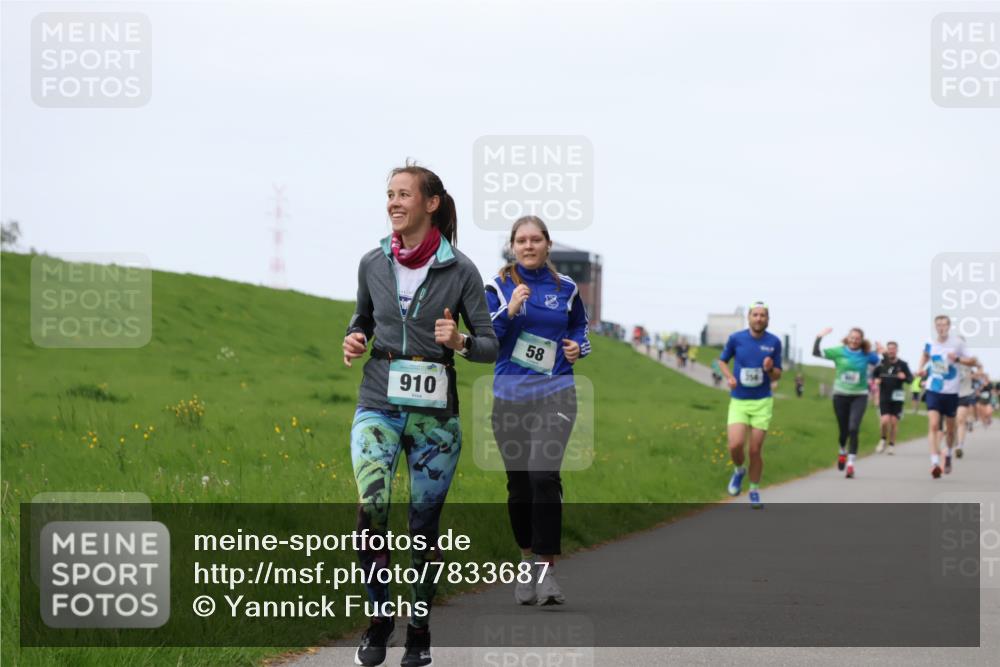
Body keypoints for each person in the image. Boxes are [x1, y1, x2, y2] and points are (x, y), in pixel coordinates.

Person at [342, 163, 499, 667]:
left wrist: (461, 341)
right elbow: (363, 317)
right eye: (389, 194)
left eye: (403, 194)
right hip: (378, 401)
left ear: (430, 203)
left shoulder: (462, 271)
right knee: (371, 508)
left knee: (423, 526)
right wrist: (355, 337)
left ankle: (419, 629)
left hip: (435, 416)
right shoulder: (372, 261)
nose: (393, 202)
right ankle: (378, 619)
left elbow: (491, 345)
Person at [485, 215, 591, 606]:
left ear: (547, 244)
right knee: (519, 487)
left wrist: (578, 348)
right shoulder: (497, 287)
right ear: (513, 246)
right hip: (510, 397)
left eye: (536, 240)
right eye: (521, 240)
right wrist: (510, 309)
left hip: (556, 392)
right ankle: (526, 560)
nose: (528, 246)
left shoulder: (566, 288)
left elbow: (581, 328)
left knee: (543, 476)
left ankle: (547, 572)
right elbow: (487, 339)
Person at [717, 302, 782, 509]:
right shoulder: (736, 339)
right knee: (735, 445)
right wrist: (729, 377)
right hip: (739, 400)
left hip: (762, 401)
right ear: (749, 317)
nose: (759, 318)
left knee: (755, 450)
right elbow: (722, 361)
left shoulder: (774, 342)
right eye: (755, 315)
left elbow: (778, 373)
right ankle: (739, 471)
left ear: (768, 319)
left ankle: (753, 489)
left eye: (763, 315)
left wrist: (770, 369)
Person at [915, 315, 978, 479]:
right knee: (934, 425)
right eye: (938, 325)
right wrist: (921, 368)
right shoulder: (930, 341)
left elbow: (973, 361)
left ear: (949, 326)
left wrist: (957, 358)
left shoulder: (957, 343)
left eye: (944, 325)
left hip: (951, 392)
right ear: (935, 327)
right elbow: (925, 355)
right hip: (933, 389)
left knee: (950, 430)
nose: (941, 328)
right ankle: (935, 462)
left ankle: (948, 454)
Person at [813, 327, 882, 478]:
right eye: (852, 337)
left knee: (853, 428)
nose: (854, 340)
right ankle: (842, 450)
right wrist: (819, 336)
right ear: (848, 338)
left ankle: (851, 464)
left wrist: (880, 353)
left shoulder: (866, 355)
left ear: (861, 340)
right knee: (843, 430)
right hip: (840, 395)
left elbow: (881, 365)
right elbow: (816, 353)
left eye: (857, 338)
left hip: (859, 396)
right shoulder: (839, 351)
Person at [872, 342, 913, 455]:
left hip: (897, 397)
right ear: (887, 350)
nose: (891, 351)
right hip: (884, 395)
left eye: (893, 349)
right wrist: (876, 380)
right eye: (889, 349)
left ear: (897, 350)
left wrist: (904, 377)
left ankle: (891, 445)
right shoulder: (882, 364)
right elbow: (874, 375)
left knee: (894, 422)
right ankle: (883, 439)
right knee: (884, 420)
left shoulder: (903, 364)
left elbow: (910, 379)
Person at [955, 360, 979, 458]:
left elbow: (979, 369)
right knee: (952, 422)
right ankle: (951, 440)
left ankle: (960, 446)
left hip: (965, 395)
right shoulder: (947, 359)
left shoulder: (968, 365)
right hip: (948, 394)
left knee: (961, 419)